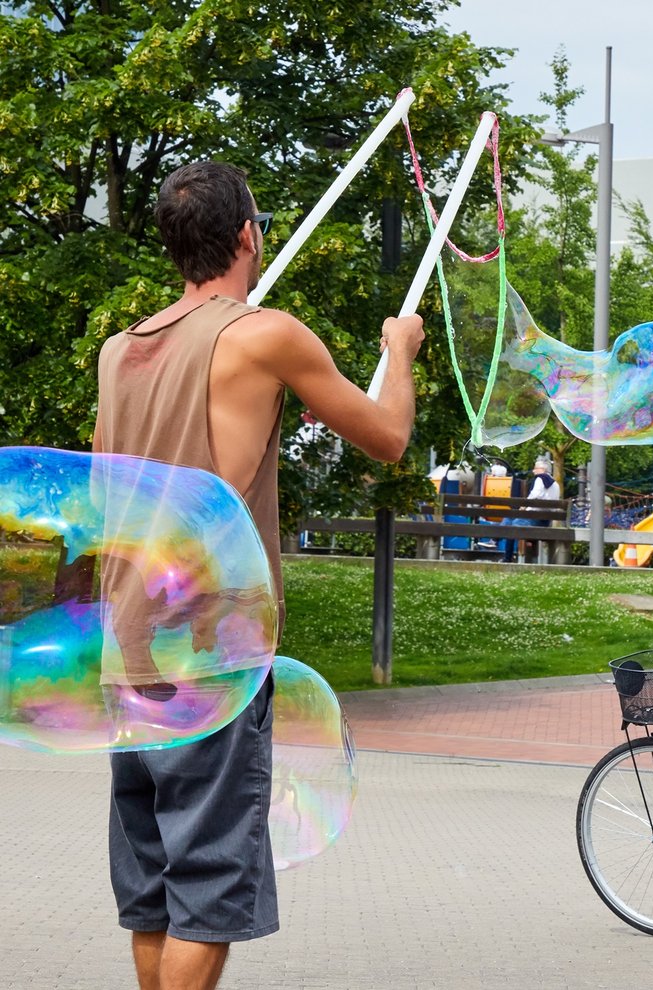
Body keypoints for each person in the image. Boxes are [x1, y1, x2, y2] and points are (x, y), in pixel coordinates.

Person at [93, 161, 425, 990]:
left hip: (125, 649)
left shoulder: (117, 352)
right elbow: (385, 437)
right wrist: (400, 349)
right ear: (248, 235)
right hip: (210, 652)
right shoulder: (264, 335)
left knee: (153, 894)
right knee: (206, 892)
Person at [521, 456, 561, 562]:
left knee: (510, 523)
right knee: (528, 533)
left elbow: (535, 494)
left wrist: (524, 505)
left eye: (535, 468)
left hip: (534, 519)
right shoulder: (556, 484)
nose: (533, 470)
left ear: (543, 470)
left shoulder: (540, 479)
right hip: (547, 522)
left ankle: (506, 556)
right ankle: (532, 560)